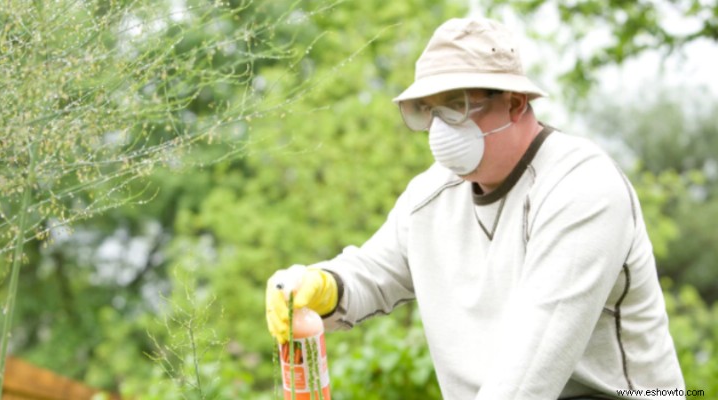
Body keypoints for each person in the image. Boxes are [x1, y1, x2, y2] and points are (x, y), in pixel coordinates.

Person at [265, 17, 685, 399]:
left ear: (515, 102)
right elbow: (373, 274)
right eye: (428, 110)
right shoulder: (429, 196)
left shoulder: (581, 188)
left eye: (458, 105)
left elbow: (528, 380)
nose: (440, 127)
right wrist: (323, 284)